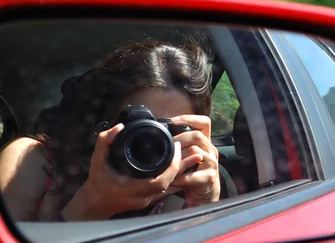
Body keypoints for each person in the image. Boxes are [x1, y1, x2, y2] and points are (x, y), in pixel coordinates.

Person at [0, 39, 221, 222]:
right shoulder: (30, 163)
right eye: (136, 125)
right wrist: (93, 201)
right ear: (100, 122)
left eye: (168, 131)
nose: (149, 142)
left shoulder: (179, 194)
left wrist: (202, 207)